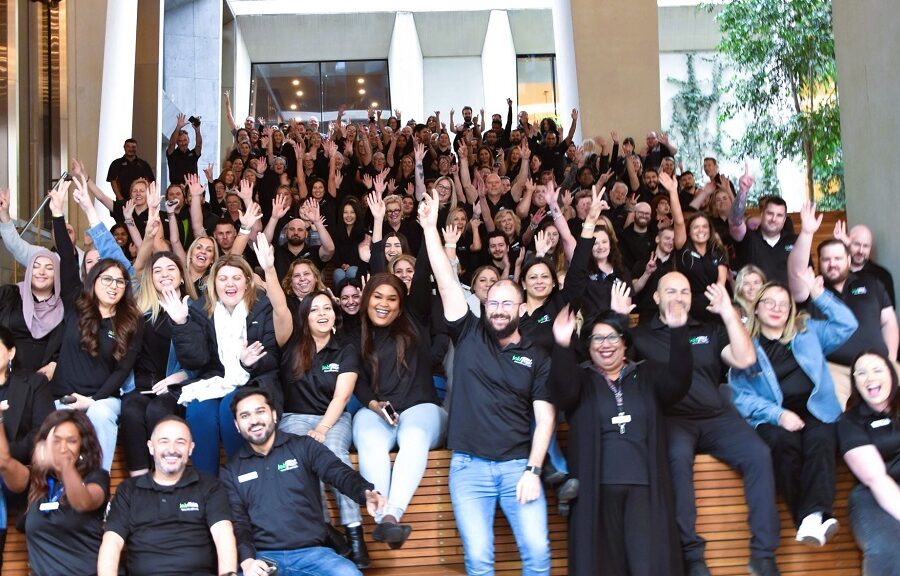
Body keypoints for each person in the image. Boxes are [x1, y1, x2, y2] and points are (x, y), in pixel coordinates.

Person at [419, 189, 553, 575]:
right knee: (479, 560)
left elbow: (544, 420)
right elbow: (446, 282)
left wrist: (533, 469)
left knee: (538, 553)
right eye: (492, 303)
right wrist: (430, 229)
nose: (497, 310)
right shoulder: (469, 334)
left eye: (506, 304)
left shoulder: (536, 357)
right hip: (468, 468)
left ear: (521, 309)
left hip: (517, 467)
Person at [631, 272, 780, 576]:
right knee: (676, 460)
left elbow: (746, 359)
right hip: (673, 418)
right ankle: (692, 556)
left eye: (684, 291)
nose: (678, 297)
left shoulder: (708, 330)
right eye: (670, 291)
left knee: (760, 455)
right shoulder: (642, 336)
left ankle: (763, 554)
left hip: (716, 416)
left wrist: (727, 312)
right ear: (657, 298)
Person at [550, 298, 691, 576]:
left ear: (625, 342)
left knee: (647, 567)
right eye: (598, 338)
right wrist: (562, 345)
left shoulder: (646, 373)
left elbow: (678, 383)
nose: (606, 344)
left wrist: (678, 331)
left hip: (645, 491)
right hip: (597, 493)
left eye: (613, 336)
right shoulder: (582, 379)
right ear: (588, 345)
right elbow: (562, 391)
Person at [255, 235, 370, 568]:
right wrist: (269, 270)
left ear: (334, 316)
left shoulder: (345, 349)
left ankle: (353, 535)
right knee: (303, 460)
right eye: (314, 309)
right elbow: (279, 304)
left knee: (332, 454)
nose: (322, 314)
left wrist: (322, 427)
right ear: (304, 316)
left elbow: (343, 395)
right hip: (294, 417)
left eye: (326, 309)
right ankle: (323, 531)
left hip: (332, 417)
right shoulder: (291, 341)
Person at [729, 270, 858, 547]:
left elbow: (848, 324)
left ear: (791, 310)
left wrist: (820, 295)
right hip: (774, 415)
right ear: (756, 306)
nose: (777, 309)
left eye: (783, 304)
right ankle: (814, 517)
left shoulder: (807, 330)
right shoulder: (746, 346)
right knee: (781, 442)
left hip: (816, 409)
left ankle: (809, 518)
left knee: (822, 438)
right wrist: (779, 415)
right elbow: (740, 396)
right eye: (769, 303)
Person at [221, 388, 387, 576]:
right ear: (237, 425)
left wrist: (366, 492)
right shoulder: (231, 471)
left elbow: (338, 472)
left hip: (313, 554)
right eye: (245, 415)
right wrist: (247, 560)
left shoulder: (304, 447)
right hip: (263, 559)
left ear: (274, 415)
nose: (254, 420)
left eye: (260, 411)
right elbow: (239, 524)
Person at [50, 179, 144, 472]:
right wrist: (57, 214)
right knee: (54, 418)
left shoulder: (131, 320)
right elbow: (67, 257)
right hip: (63, 396)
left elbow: (122, 371)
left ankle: (98, 486)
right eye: (107, 279)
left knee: (101, 414)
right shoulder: (76, 303)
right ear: (93, 281)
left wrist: (92, 400)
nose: (114, 285)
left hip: (103, 399)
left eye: (119, 281)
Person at [159, 254, 280, 476]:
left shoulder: (263, 306)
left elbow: (274, 356)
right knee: (197, 411)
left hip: (255, 380)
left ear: (247, 281)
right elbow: (196, 360)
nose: (230, 283)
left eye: (236, 277)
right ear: (214, 283)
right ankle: (207, 488)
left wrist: (248, 363)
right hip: (216, 379)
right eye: (223, 278)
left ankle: (245, 479)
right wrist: (182, 324)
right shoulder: (201, 308)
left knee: (229, 408)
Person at [98, 416, 238, 576]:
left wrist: (228, 574)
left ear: (190, 448)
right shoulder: (128, 490)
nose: (172, 449)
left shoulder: (210, 486)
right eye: (164, 441)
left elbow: (223, 533)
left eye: (180, 442)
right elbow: (112, 542)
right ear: (151, 447)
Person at [0, 410, 109, 576]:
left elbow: (82, 502)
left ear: (83, 447)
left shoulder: (96, 477)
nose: (63, 448)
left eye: (71, 441)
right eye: (56, 441)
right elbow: (4, 462)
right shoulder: (34, 481)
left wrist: (63, 465)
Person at [788, 203, 898, 365]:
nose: (832, 264)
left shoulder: (872, 283)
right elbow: (796, 272)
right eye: (826, 259)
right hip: (834, 373)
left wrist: (891, 359)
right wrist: (806, 233)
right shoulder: (813, 288)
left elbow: (889, 321)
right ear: (819, 262)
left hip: (879, 368)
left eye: (838, 258)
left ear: (848, 260)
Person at [121, 251, 197, 477]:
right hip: (143, 386)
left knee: (158, 409)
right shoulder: (140, 311)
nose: (164, 274)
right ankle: (141, 483)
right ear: (150, 279)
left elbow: (204, 358)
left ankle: (165, 478)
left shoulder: (195, 309)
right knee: (131, 411)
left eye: (170, 268)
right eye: (157, 270)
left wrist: (179, 377)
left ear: (182, 276)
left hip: (177, 388)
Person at [837, 352, 900, 574]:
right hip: (873, 498)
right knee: (890, 548)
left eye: (876, 369)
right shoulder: (850, 421)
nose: (869, 377)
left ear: (891, 374)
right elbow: (876, 478)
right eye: (861, 373)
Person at [0, 326, 54, 562]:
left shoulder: (33, 384)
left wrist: (7, 456)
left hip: (22, 471)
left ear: (10, 353)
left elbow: (42, 432)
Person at [0, 248, 65, 375]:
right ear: (30, 270)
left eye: (49, 268)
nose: (41, 272)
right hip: (4, 377)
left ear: (56, 273)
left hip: (41, 382)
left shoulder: (63, 307)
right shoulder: (9, 294)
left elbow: (68, 345)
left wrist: (54, 364)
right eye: (36, 266)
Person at [729, 166, 795, 284]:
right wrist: (743, 191)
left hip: (785, 301)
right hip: (754, 300)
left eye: (779, 215)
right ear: (762, 214)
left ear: (784, 220)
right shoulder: (748, 238)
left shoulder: (794, 241)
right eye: (770, 213)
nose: (774, 219)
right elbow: (735, 221)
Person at [166, 113, 203, 185]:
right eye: (180, 141)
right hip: (176, 187)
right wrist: (178, 128)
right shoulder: (172, 154)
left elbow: (199, 145)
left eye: (185, 140)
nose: (183, 143)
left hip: (192, 188)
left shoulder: (193, 154)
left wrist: (197, 131)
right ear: (177, 142)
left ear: (188, 140)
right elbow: (171, 144)